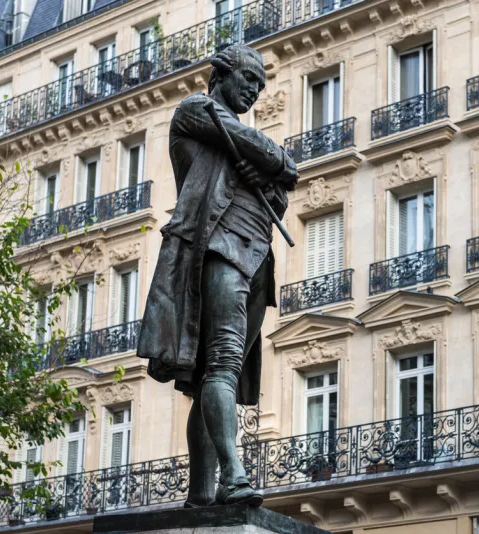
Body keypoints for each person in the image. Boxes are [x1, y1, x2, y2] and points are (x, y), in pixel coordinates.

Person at [137, 44, 298, 507]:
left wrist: (275, 171)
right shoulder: (197, 110)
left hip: (254, 257)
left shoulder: (231, 135)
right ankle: (233, 477)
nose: (255, 89)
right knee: (222, 364)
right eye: (249, 78)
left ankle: (201, 495)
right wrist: (278, 163)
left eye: (262, 85)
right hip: (217, 245)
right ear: (222, 74)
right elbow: (265, 153)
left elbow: (281, 195)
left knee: (213, 374)